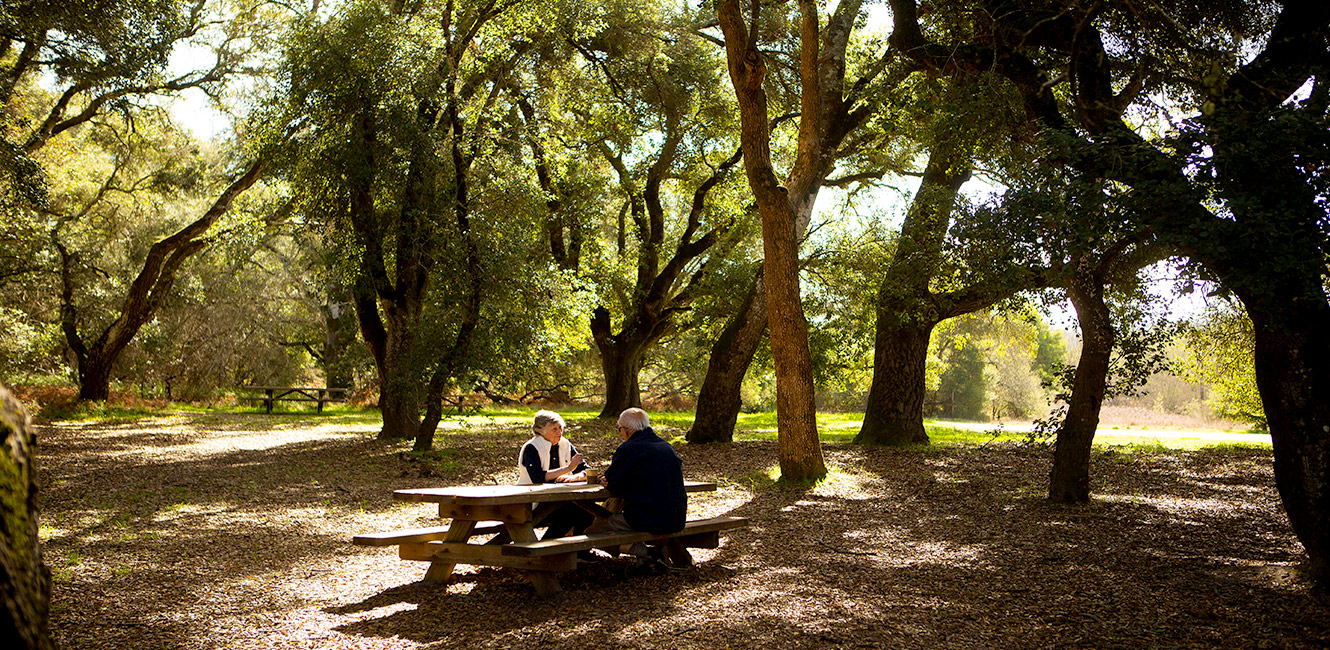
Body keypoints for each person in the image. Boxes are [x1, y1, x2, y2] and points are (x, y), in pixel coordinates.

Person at [589, 408, 686, 571]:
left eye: (619, 429)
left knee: (593, 531)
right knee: (621, 518)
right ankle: (646, 560)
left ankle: (644, 552)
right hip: (676, 517)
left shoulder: (629, 449)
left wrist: (607, 481)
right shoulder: (666, 446)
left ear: (626, 430)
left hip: (648, 519)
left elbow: (613, 485)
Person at [516, 410, 594, 541]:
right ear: (540, 430)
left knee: (589, 511)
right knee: (569, 513)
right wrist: (568, 468)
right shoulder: (531, 448)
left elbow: (586, 470)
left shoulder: (565, 444)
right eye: (554, 429)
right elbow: (537, 478)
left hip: (560, 497)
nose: (559, 432)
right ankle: (544, 550)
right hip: (533, 502)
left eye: (560, 428)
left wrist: (574, 477)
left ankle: (581, 552)